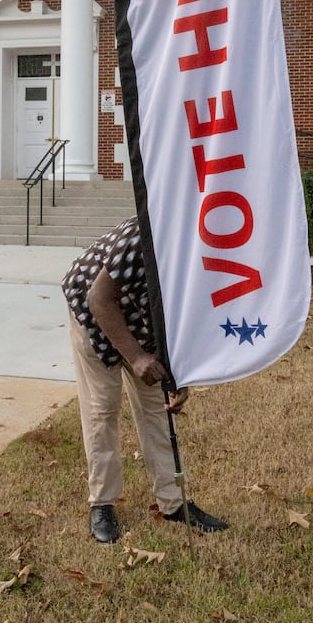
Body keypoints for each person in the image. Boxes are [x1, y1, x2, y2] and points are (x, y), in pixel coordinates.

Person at [62, 214, 228, 543]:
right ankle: (102, 504)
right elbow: (99, 300)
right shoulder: (144, 236)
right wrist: (135, 356)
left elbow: (188, 323)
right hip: (93, 312)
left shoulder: (207, 259)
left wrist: (179, 379)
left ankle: (173, 502)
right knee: (102, 409)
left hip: (142, 323)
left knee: (157, 409)